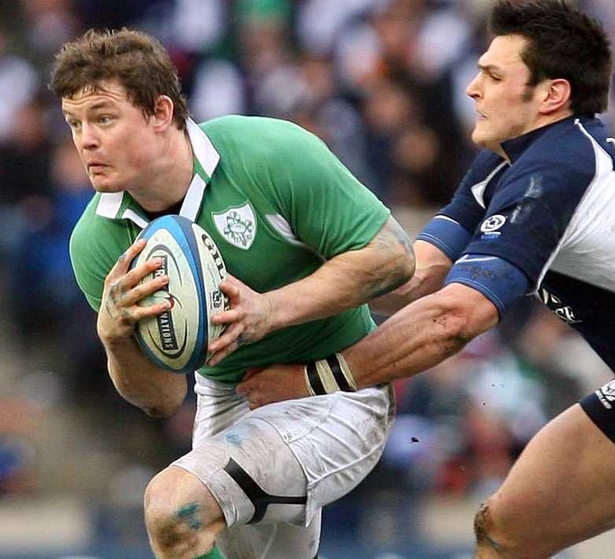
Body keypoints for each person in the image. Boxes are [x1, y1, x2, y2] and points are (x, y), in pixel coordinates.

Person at [226, 0, 615, 559]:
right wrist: (273, 297)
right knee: (506, 532)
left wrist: (314, 380)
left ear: (552, 95)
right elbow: (410, 275)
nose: (473, 89)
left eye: (494, 76)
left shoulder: (560, 170)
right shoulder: (508, 162)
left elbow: (455, 318)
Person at [50, 28, 415, 559]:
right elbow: (162, 399)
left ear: (160, 112)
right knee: (186, 532)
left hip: (338, 385)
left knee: (174, 508)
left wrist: (270, 309)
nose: (86, 140)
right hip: (229, 397)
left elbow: (393, 256)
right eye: (74, 123)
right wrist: (116, 339)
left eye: (103, 118)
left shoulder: (268, 153)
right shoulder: (96, 243)